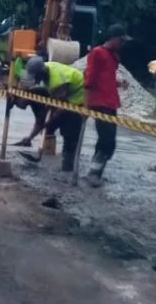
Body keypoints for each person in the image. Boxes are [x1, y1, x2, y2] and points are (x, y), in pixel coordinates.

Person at [15, 55, 86, 172]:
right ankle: (44, 150)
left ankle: (68, 167)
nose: (35, 80)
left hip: (78, 97)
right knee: (49, 125)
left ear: (40, 73)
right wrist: (31, 137)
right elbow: (49, 108)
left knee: (69, 132)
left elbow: (59, 108)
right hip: (64, 93)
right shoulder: (46, 68)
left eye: (36, 77)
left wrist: (48, 120)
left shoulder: (56, 82)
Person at [82, 24, 129, 187]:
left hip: (110, 102)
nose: (122, 44)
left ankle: (96, 172)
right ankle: (93, 174)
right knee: (107, 141)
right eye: (121, 41)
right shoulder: (97, 53)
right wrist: (86, 105)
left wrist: (119, 82)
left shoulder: (113, 56)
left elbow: (106, 78)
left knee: (108, 142)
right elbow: (89, 79)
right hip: (100, 103)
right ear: (114, 39)